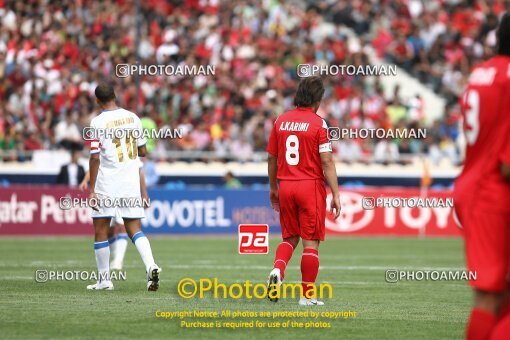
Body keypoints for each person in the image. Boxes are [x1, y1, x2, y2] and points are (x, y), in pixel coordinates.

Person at [452, 13, 510, 340]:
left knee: (496, 295)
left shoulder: (482, 73)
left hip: (475, 186)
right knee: (490, 295)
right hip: (493, 191)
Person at [266, 76, 341, 306]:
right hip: (310, 186)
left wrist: (273, 187)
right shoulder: (319, 124)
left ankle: (277, 270)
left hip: (286, 185)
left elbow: (272, 157)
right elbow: (326, 161)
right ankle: (307, 297)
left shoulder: (280, 121)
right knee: (311, 243)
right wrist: (336, 194)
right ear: (317, 100)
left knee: (289, 238)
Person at [87, 83, 161, 291]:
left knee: (101, 230)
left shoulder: (97, 122)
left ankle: (104, 280)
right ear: (115, 95)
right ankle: (151, 266)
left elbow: (94, 158)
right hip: (130, 182)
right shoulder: (133, 118)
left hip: (107, 182)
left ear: (97, 101)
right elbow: (143, 151)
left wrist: (92, 190)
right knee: (135, 229)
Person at [79, 163, 148, 271]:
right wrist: (85, 180)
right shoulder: (105, 147)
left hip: (124, 192)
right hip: (106, 192)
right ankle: (116, 259)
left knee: (122, 227)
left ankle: (117, 261)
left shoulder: (129, 147)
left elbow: (139, 169)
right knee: (107, 231)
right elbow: (95, 163)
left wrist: (144, 193)